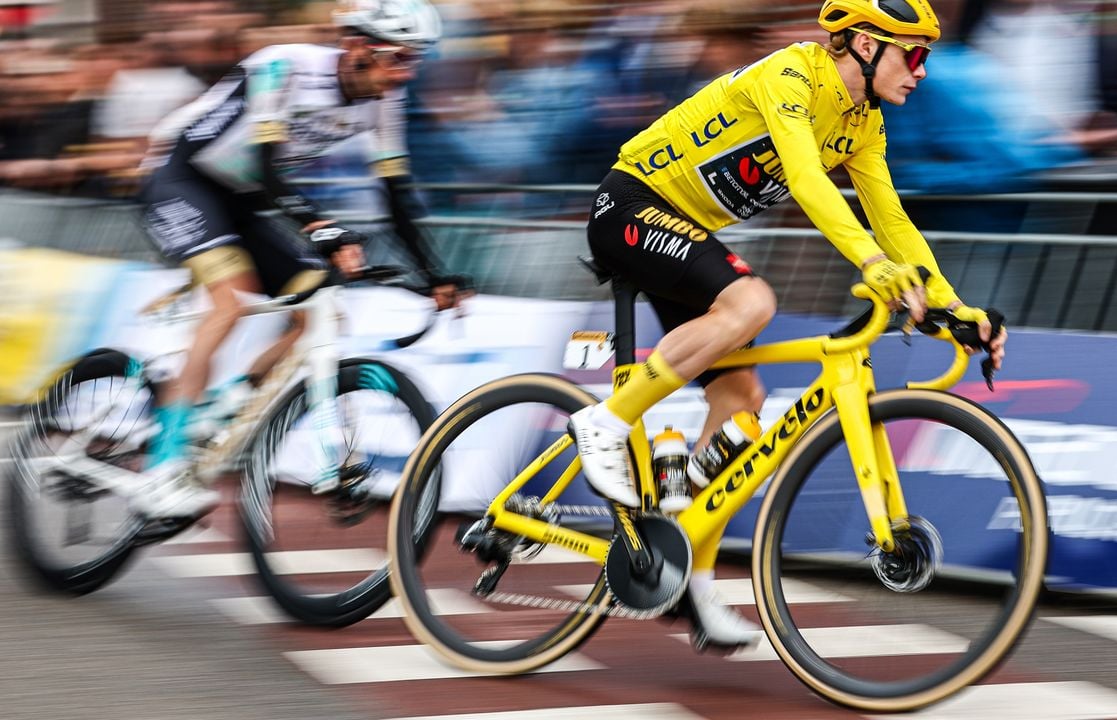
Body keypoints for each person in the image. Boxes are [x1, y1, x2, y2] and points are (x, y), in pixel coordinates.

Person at [570, 0, 1007, 648]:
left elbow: (891, 220)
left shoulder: (863, 123)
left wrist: (955, 308)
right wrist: (873, 265)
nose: (921, 70)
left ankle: (688, 580)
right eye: (913, 54)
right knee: (753, 302)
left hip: (686, 232)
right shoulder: (792, 75)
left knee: (741, 404)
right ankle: (606, 423)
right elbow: (805, 177)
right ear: (865, 44)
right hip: (631, 204)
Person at [134, 0, 464, 520]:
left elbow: (397, 196)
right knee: (232, 301)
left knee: (319, 312)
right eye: (398, 57)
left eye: (414, 60)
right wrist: (320, 225)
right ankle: (161, 466)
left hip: (240, 197)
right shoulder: (284, 67)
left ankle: (222, 406)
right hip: (180, 178)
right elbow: (268, 169)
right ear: (357, 47)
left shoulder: (384, 101)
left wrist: (435, 274)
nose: (405, 74)